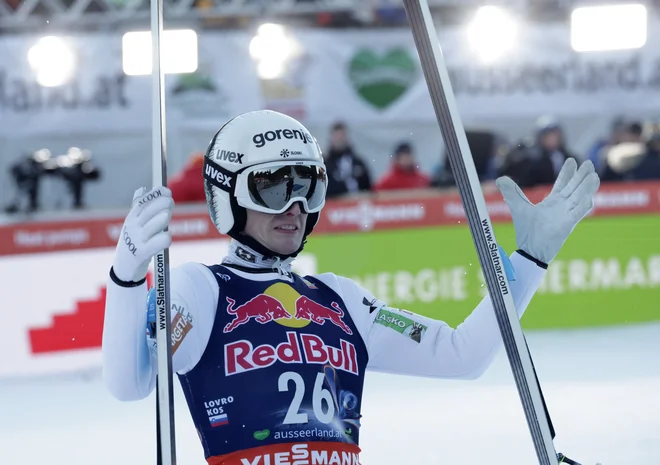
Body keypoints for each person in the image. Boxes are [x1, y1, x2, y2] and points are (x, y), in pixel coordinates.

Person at [102, 110, 600, 465]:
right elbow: (129, 384)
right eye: (274, 187)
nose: (294, 205)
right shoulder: (201, 290)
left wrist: (530, 260)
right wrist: (127, 275)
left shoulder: (339, 299)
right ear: (227, 197)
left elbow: (460, 355)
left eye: (307, 186)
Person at [323, 121, 372, 198]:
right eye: (337, 136)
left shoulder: (358, 162)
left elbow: (368, 187)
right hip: (334, 205)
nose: (340, 140)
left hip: (358, 205)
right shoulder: (325, 164)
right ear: (331, 138)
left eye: (342, 136)